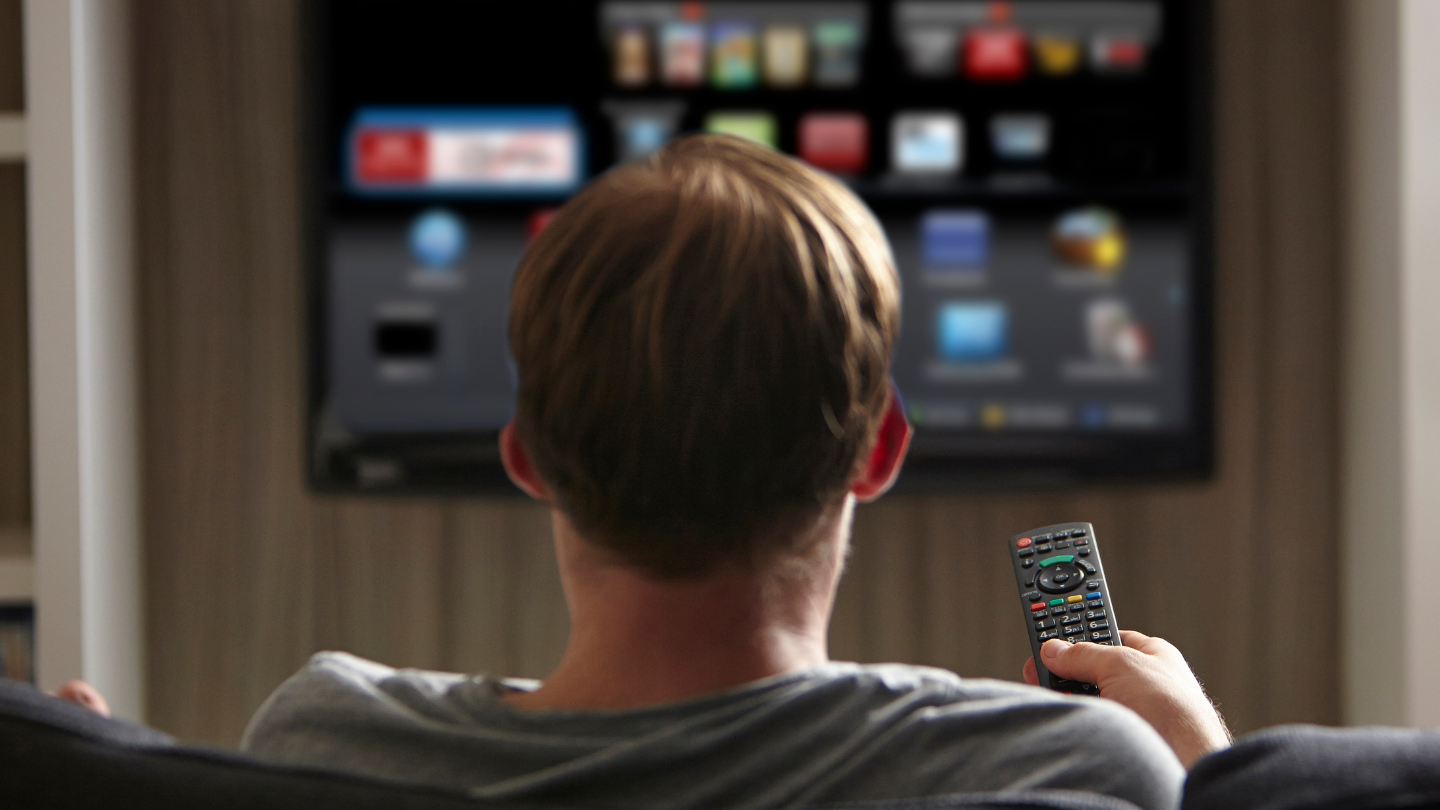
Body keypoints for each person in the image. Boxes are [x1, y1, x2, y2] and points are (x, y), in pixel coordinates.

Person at [72, 134, 1231, 808]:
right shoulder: (1063, 772)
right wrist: (1221, 777)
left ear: (524, 456)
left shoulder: (322, 745)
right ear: (879, 449)